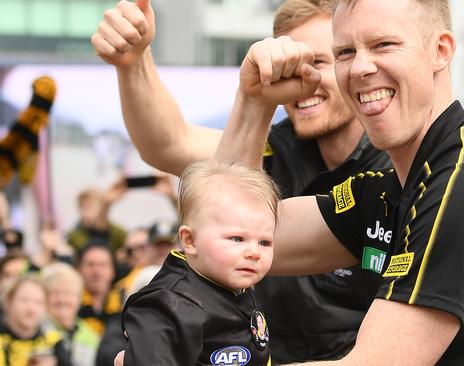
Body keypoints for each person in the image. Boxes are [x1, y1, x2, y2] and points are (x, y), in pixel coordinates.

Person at [106, 0, 464, 364]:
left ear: (441, 50)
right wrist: (255, 102)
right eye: (344, 52)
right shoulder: (390, 188)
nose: (360, 67)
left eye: (383, 44)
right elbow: (227, 231)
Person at [91, 0, 391, 363]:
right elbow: (167, 144)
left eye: (319, 62)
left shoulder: (397, 171)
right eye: (288, 66)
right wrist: (134, 62)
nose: (302, 81)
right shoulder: (268, 145)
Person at [120, 159, 279, 365]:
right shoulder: (168, 306)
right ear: (190, 240)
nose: (254, 252)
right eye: (237, 239)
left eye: (265, 242)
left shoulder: (235, 286)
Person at [0, 275, 72, 366]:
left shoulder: (53, 340)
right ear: (8, 302)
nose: (31, 309)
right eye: (24, 300)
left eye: (38, 302)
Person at [41, 262, 100, 366]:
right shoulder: (36, 330)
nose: (62, 300)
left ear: (79, 299)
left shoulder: (91, 336)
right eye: (55, 293)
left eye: (68, 293)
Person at [76, 244, 122, 336]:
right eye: (90, 264)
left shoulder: (124, 303)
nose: (97, 271)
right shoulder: (72, 304)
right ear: (79, 269)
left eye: (103, 265)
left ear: (113, 271)